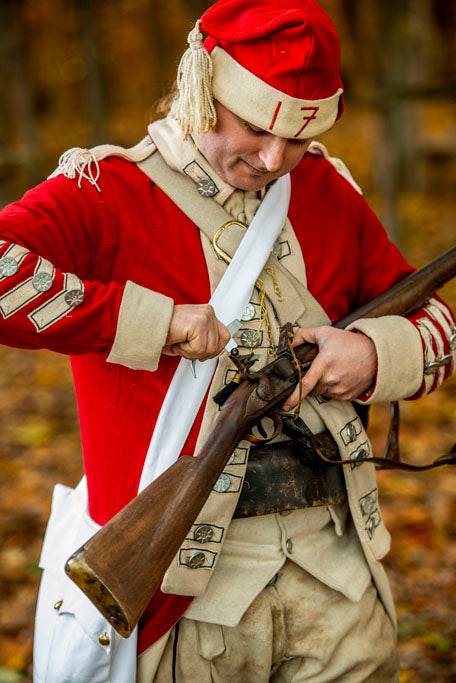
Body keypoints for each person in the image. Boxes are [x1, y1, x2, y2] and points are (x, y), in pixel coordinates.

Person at [0, 0, 454, 681]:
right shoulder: (106, 190)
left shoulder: (327, 192)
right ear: (201, 88)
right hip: (181, 593)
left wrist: (367, 355)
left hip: (337, 572)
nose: (274, 159)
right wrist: (153, 322)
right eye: (254, 127)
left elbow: (436, 327)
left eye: (296, 140)